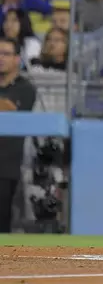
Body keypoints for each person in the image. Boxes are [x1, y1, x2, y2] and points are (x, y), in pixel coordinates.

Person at [0, 37, 36, 233]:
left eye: (6, 53)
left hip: (7, 166)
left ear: (17, 59)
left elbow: (12, 108)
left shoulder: (25, 88)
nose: (0, 58)